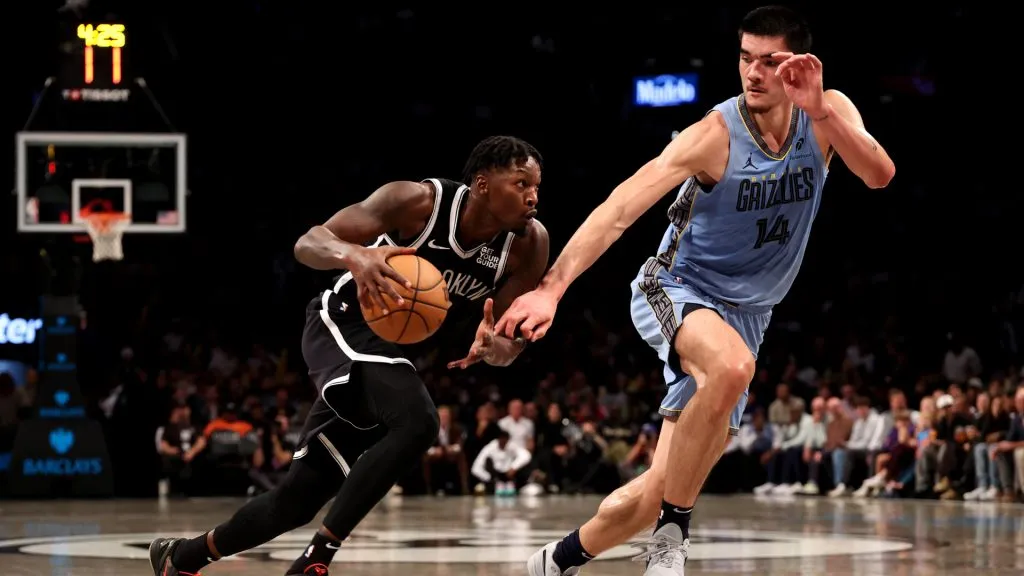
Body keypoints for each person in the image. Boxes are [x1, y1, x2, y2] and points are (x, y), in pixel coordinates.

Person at [498, 6, 895, 575]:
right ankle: (674, 536)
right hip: (678, 288)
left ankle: (550, 563)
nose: (754, 74)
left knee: (659, 484)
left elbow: (879, 175)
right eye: (745, 59)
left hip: (749, 315)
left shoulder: (830, 114)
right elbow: (620, 208)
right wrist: (552, 289)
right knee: (732, 371)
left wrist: (821, 110)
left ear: (800, 64)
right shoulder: (714, 134)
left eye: (770, 62)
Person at [150, 135, 550, 576]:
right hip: (339, 323)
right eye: (520, 183)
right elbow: (309, 242)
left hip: (387, 356)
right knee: (420, 421)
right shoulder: (418, 202)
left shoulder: (528, 246)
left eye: (536, 186)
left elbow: (509, 347)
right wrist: (354, 257)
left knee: (295, 502)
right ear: (481, 185)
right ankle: (317, 558)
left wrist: (496, 347)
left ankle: (183, 556)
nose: (533, 197)